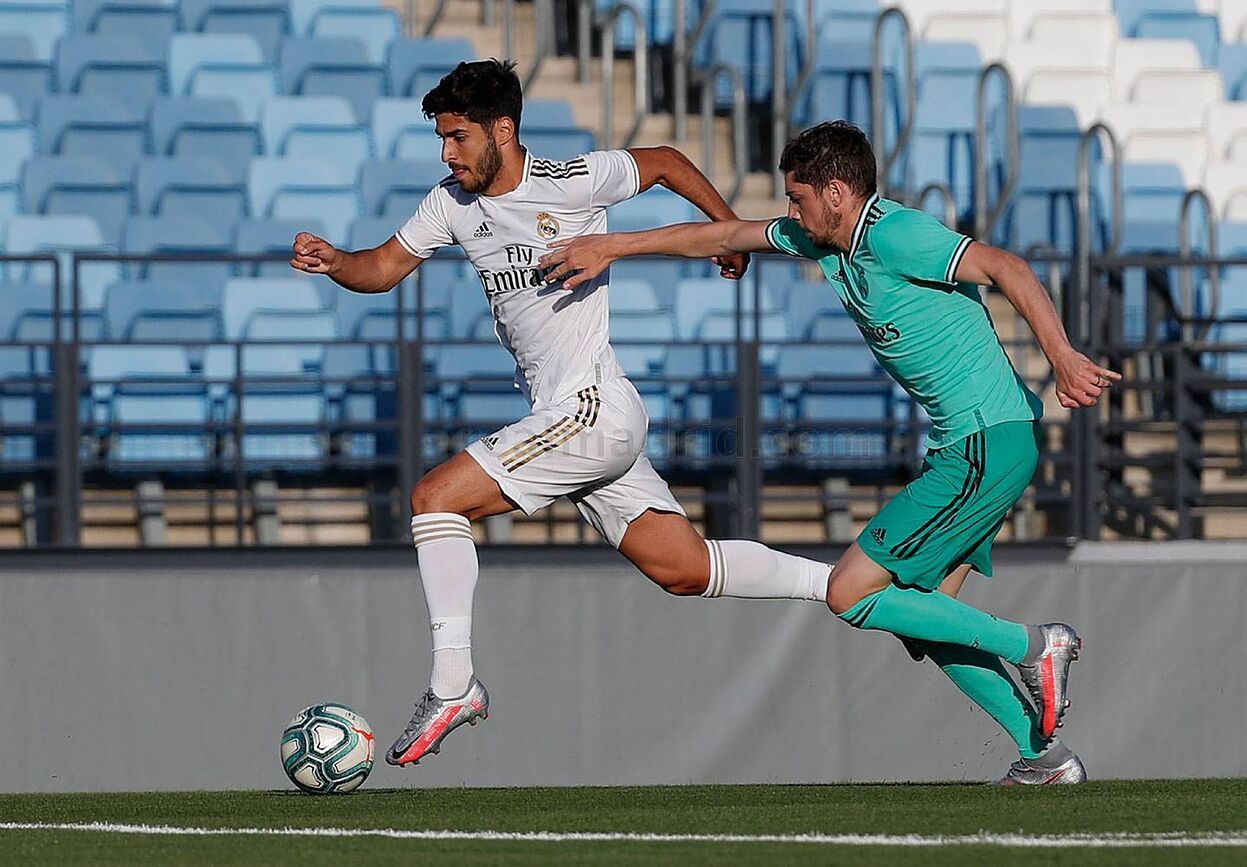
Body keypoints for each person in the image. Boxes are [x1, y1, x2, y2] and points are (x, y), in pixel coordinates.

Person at [291, 60, 838, 768]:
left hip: (593, 408)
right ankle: (839, 584)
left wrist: (728, 234)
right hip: (574, 419)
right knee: (681, 567)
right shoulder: (450, 203)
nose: (446, 154)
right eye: (442, 140)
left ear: (503, 129)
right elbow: (382, 268)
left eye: (457, 137)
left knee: (434, 500)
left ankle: (453, 684)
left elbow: (668, 162)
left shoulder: (572, 179)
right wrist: (337, 259)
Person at [540, 120, 1122, 785]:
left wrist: (1063, 355)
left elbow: (1006, 266)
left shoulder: (897, 233)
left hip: (985, 440)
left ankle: (1035, 645)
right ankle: (1044, 755)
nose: (790, 211)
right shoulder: (825, 240)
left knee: (850, 592)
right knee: (924, 615)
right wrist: (613, 245)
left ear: (838, 192)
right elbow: (725, 234)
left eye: (799, 197)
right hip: (973, 445)